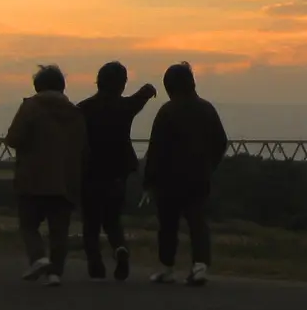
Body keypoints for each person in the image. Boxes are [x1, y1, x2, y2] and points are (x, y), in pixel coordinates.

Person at [142, 62, 229, 286]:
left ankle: (167, 267)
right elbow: (221, 141)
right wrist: (210, 166)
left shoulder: (167, 111)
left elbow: (156, 149)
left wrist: (149, 179)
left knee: (168, 225)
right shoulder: (207, 109)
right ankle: (200, 265)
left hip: (169, 179)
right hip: (199, 176)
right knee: (197, 221)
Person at [3, 64, 88, 286]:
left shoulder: (30, 107)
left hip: (32, 177)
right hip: (65, 180)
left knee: (29, 224)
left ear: (37, 86)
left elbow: (13, 138)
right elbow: (83, 146)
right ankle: (55, 274)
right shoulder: (75, 113)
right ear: (62, 86)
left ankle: (38, 257)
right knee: (59, 230)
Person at [75, 60, 156, 280]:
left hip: (90, 172)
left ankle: (95, 264)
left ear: (98, 81)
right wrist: (147, 91)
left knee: (91, 222)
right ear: (122, 84)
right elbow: (138, 100)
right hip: (118, 172)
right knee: (112, 219)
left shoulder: (83, 108)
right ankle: (120, 247)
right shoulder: (124, 107)